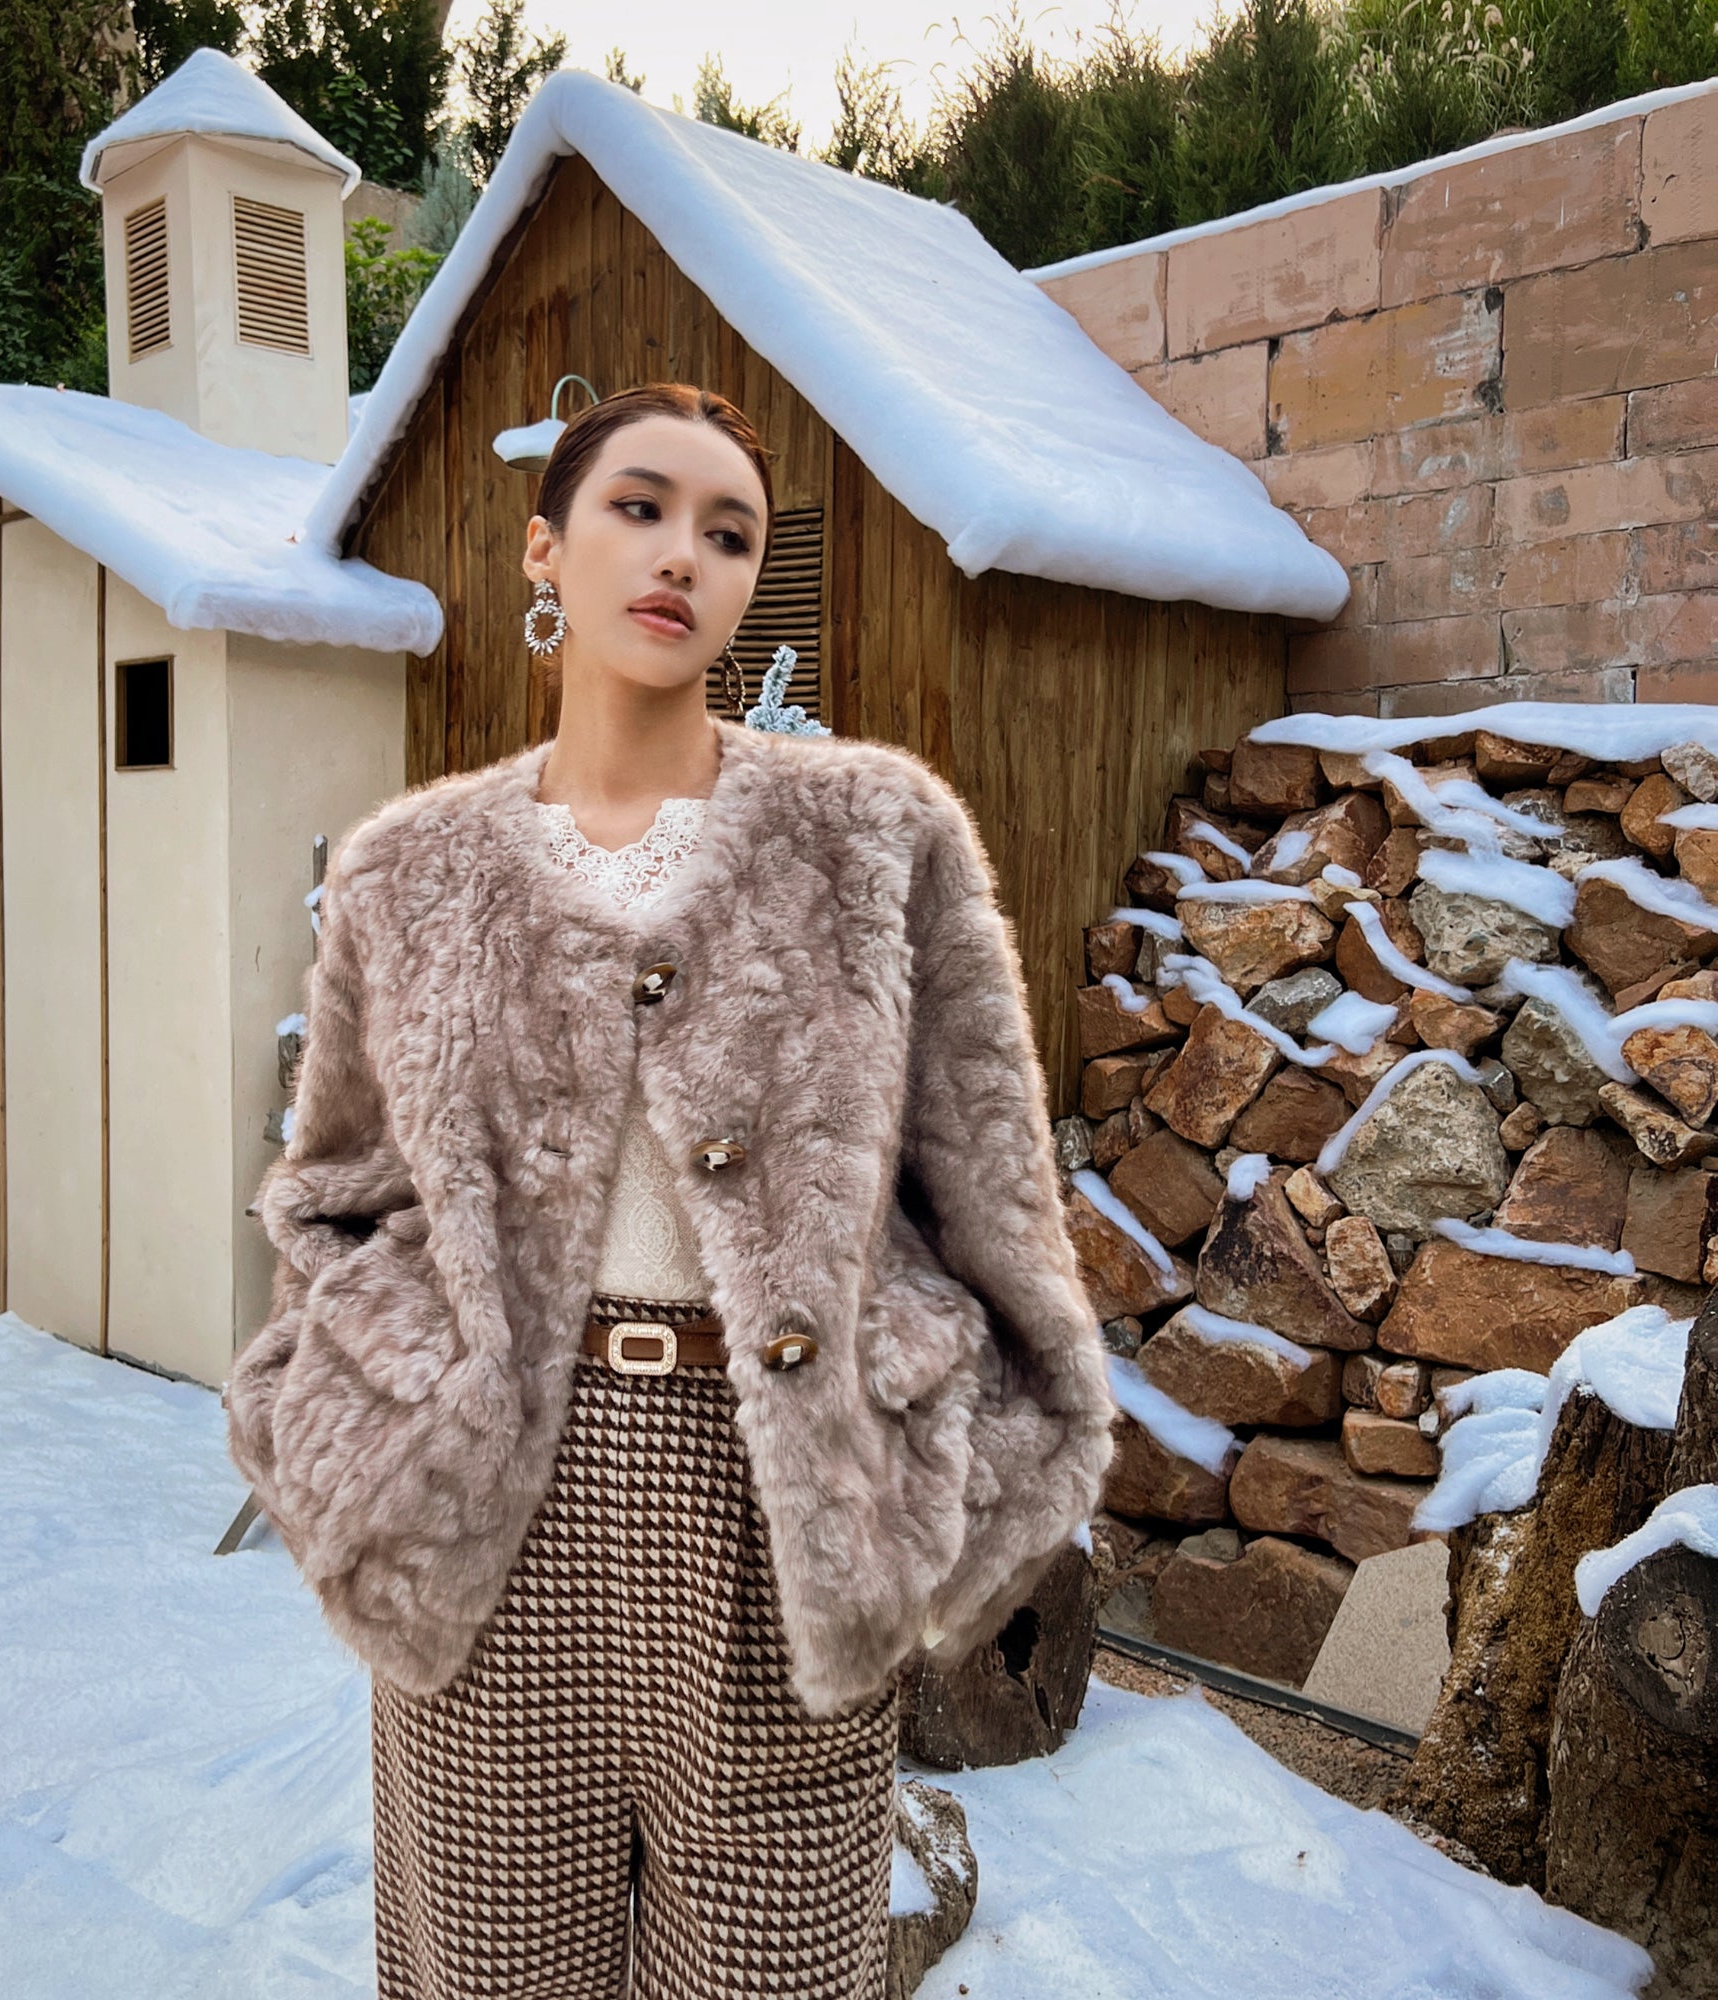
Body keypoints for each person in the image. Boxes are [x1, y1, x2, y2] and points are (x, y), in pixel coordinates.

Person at [226, 382, 1117, 2000]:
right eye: (639, 507)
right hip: (498, 1517)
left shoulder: (877, 843)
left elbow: (996, 1209)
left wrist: (944, 1498)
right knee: (489, 1976)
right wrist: (368, 1441)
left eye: (728, 533)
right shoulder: (409, 875)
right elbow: (336, 1206)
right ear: (541, 550)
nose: (682, 556)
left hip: (783, 1516)